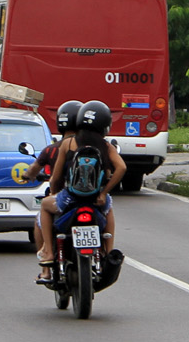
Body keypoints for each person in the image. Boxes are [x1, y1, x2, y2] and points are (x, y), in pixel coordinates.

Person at [36, 100, 125, 284]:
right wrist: (103, 193)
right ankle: (108, 251)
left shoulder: (68, 144)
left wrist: (54, 192)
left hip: (70, 199)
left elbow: (56, 177)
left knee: (45, 207)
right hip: (96, 201)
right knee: (109, 208)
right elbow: (121, 168)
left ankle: (49, 253)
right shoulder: (106, 146)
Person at [19, 100, 81, 257]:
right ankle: (107, 250)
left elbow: (34, 170)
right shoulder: (90, 147)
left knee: (40, 218)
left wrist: (27, 176)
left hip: (62, 198)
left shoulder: (52, 150)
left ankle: (47, 257)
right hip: (89, 199)